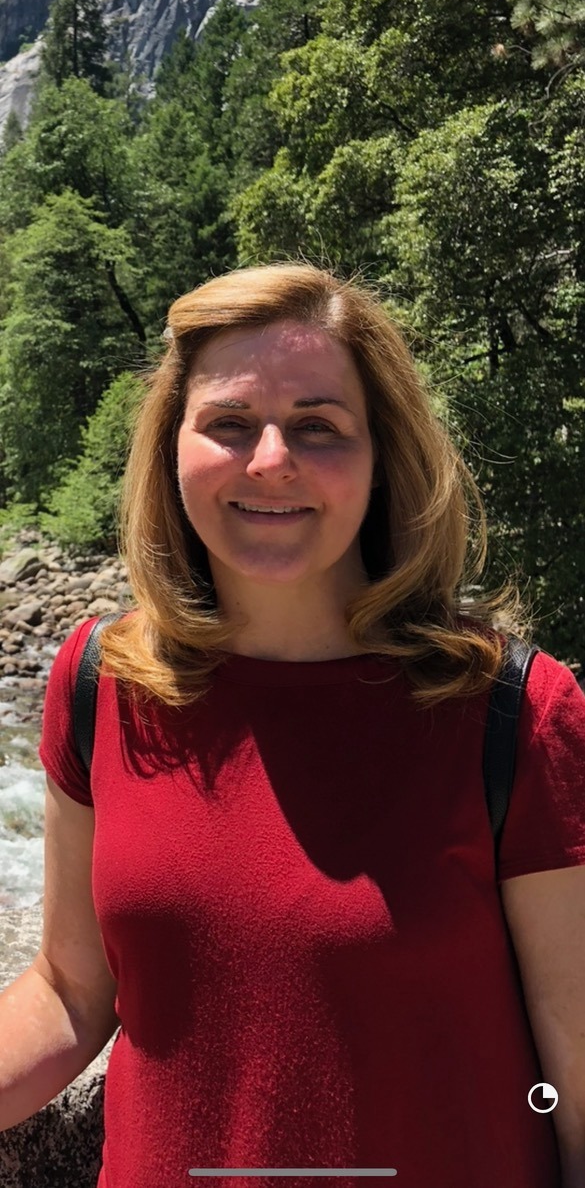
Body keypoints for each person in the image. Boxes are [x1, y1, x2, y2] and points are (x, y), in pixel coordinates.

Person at [1, 262, 584, 1188]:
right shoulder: (101, 680)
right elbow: (74, 993)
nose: (269, 459)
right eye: (228, 424)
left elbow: (573, 1082)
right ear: (172, 450)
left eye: (318, 427)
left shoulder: (510, 711)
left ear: (382, 456)